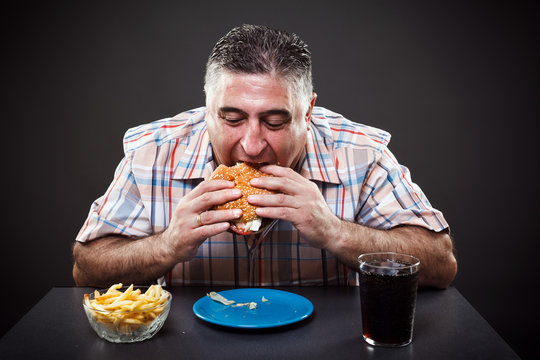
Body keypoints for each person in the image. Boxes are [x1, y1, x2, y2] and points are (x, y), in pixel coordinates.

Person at [73, 24, 457, 289]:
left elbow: (441, 264)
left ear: (308, 112)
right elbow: (86, 267)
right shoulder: (152, 154)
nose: (252, 145)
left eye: (275, 121)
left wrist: (336, 232)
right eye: (232, 118)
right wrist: (166, 245)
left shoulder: (360, 154)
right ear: (207, 109)